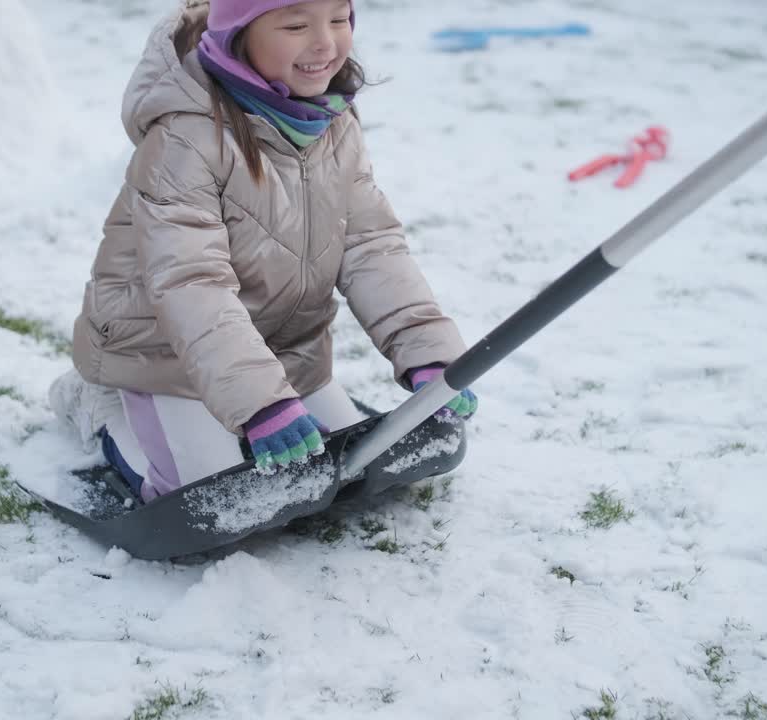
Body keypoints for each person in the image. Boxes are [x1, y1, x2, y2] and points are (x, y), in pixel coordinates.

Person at [50, 0, 477, 503]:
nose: (325, 42)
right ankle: (101, 406)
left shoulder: (332, 120)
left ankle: (256, 400)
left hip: (282, 349)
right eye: (297, 25)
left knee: (352, 470)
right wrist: (261, 404)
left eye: (339, 20)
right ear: (239, 35)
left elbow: (372, 247)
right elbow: (192, 281)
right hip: (161, 354)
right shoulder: (184, 138)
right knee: (206, 493)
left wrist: (428, 356)